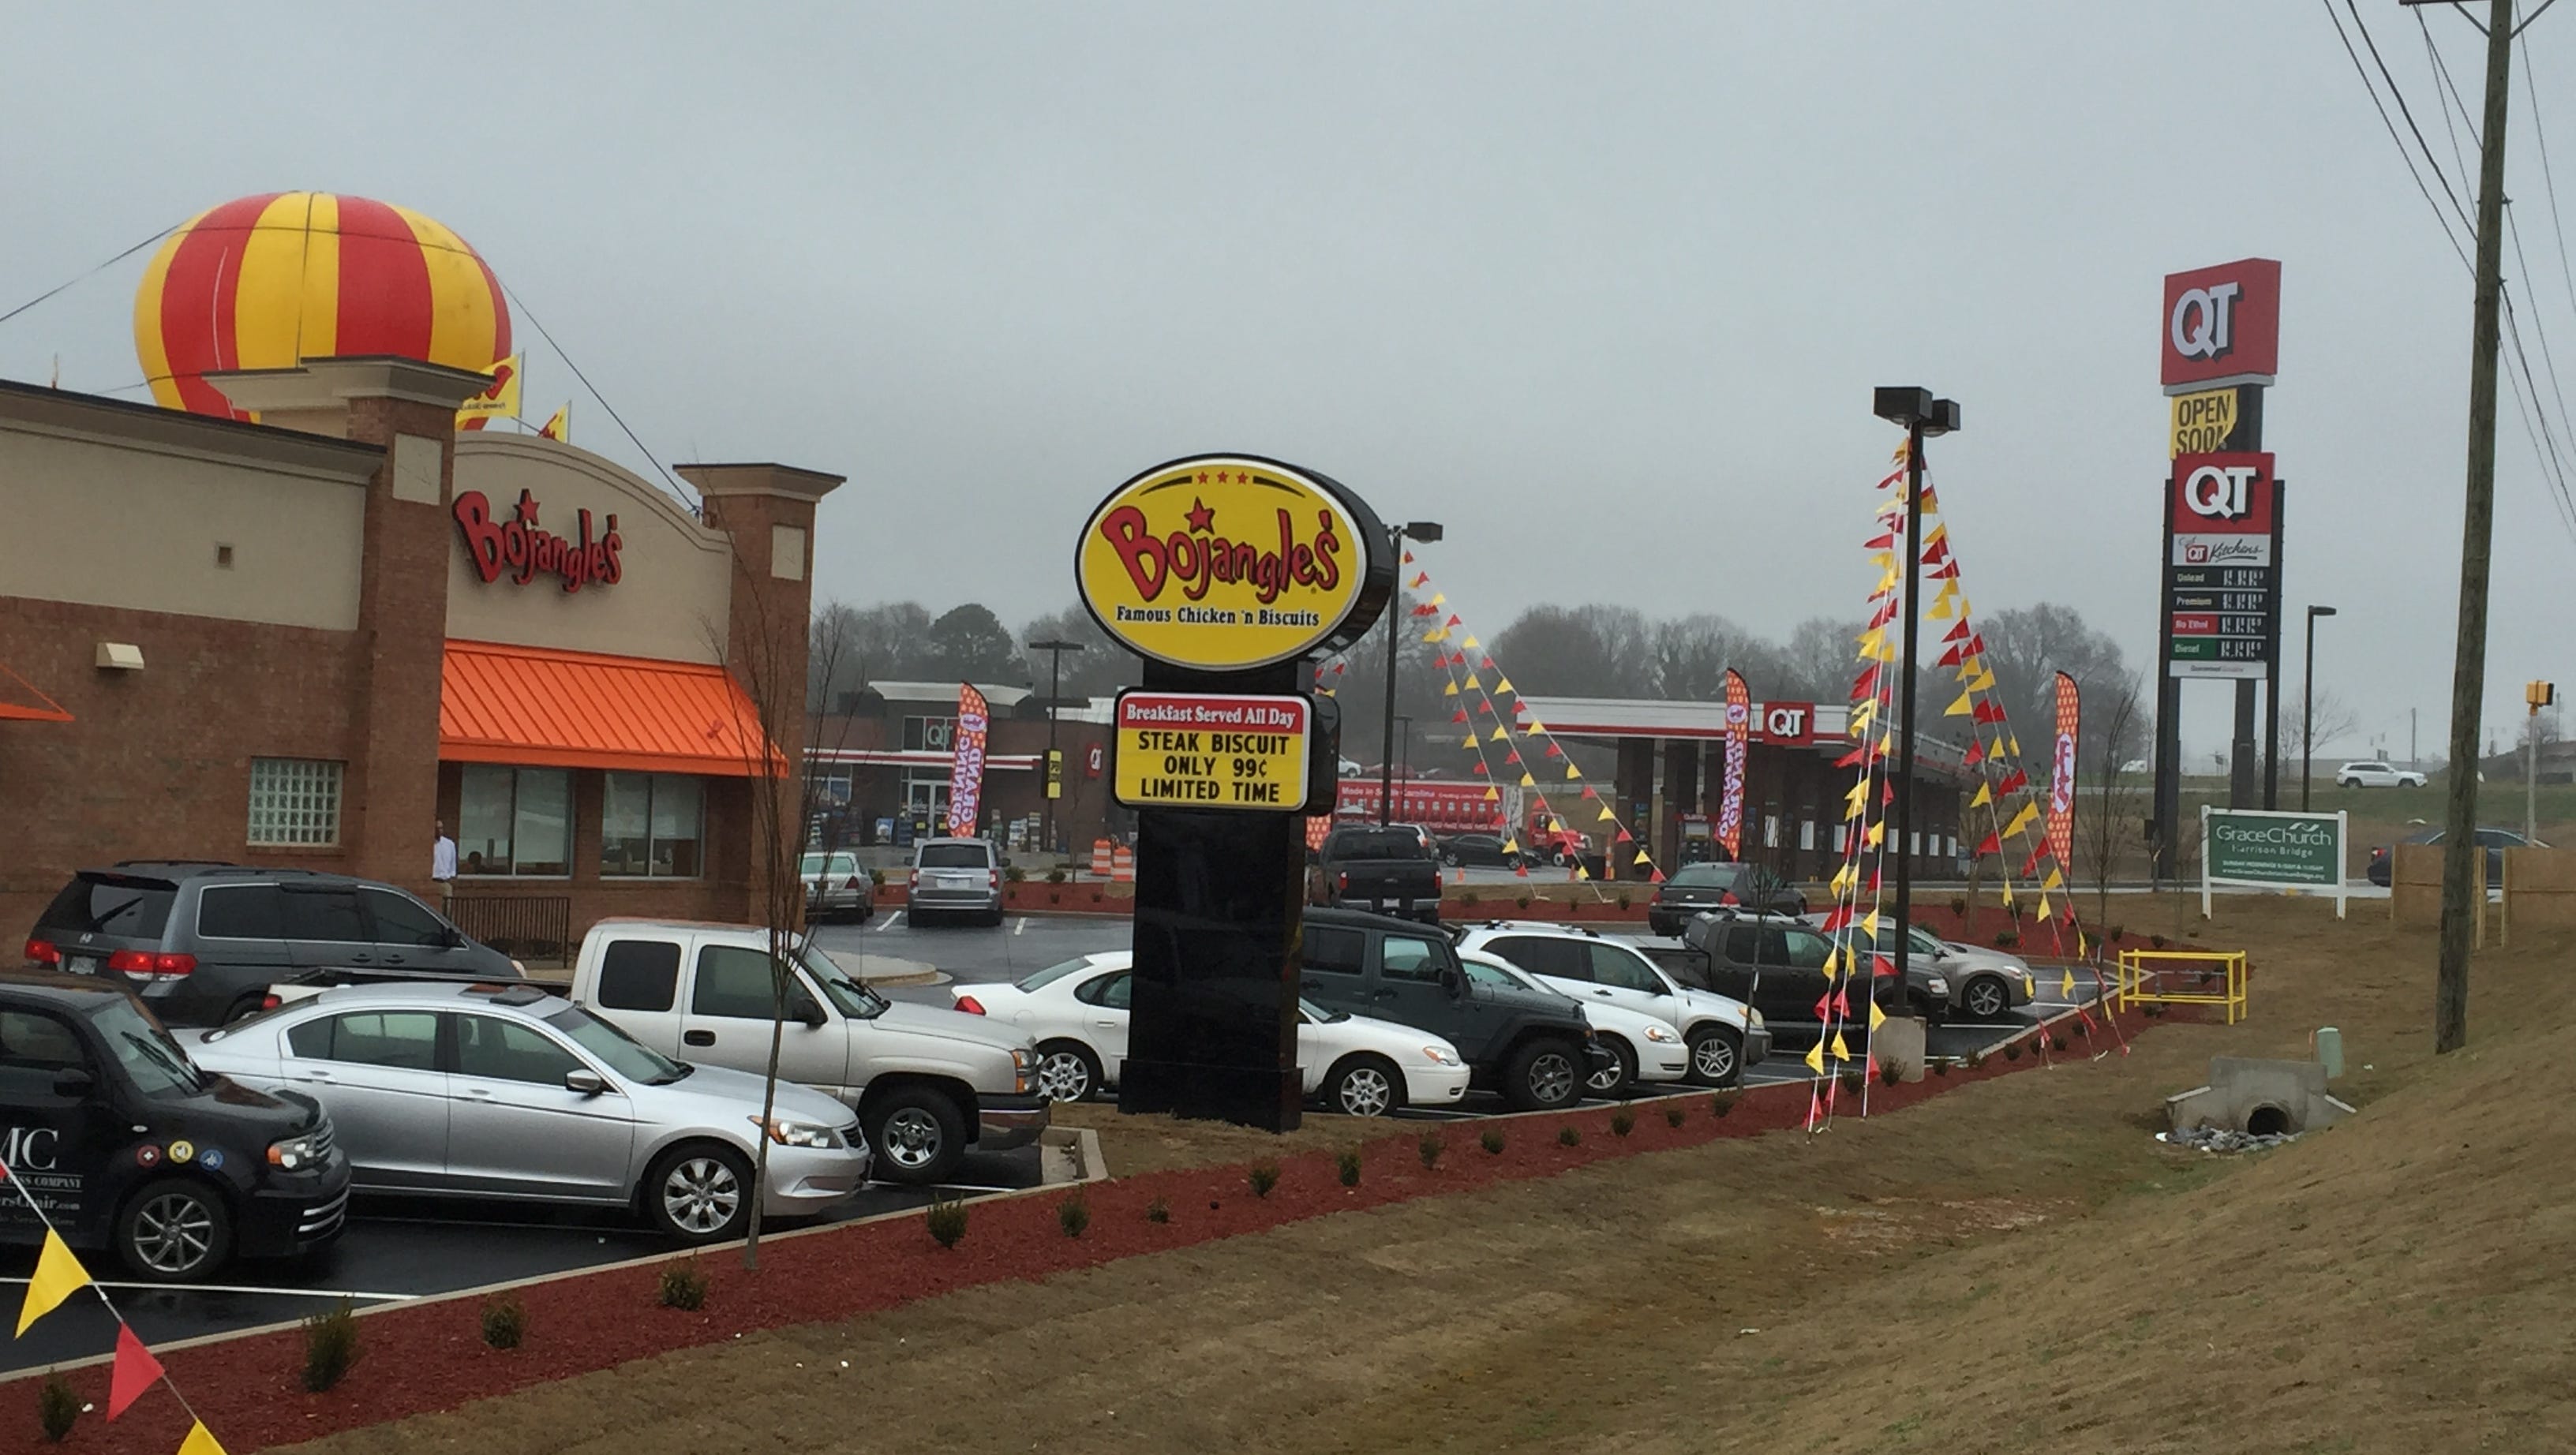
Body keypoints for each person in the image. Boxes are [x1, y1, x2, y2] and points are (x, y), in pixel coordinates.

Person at [432, 818, 459, 908]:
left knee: (447, 910)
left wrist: (451, 878)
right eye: (437, 828)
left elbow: (452, 864)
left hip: (445, 882)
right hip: (433, 882)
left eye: (441, 828)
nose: (440, 831)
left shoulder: (449, 844)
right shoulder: (429, 844)